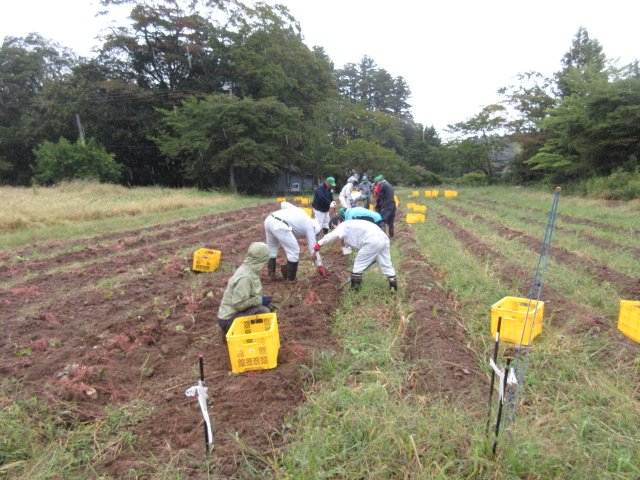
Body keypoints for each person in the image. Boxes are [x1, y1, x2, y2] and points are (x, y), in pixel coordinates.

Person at [313, 216, 397, 291]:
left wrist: (319, 243)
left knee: (358, 264)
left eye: (333, 227)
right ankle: (393, 289)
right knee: (386, 264)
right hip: (383, 238)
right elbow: (348, 248)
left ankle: (354, 290)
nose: (334, 229)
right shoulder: (352, 225)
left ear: (338, 221)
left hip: (372, 240)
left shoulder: (344, 225)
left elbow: (333, 235)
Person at [217, 242, 272, 335]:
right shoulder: (246, 277)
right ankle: (239, 334)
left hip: (233, 313)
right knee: (264, 312)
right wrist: (260, 300)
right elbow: (239, 302)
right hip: (228, 319)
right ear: (262, 259)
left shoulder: (248, 268)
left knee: (264, 307)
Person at [265, 202, 327, 281]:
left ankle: (271, 275)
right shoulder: (311, 227)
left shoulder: (301, 212)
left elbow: (283, 204)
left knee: (272, 249)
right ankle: (291, 279)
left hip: (269, 220)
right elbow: (313, 248)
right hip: (280, 225)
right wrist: (320, 266)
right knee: (294, 251)